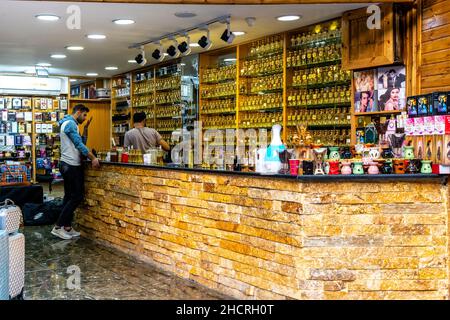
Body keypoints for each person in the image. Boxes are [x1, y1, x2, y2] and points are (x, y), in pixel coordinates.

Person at [52, 104, 100, 240]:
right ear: (78, 112)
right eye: (84, 115)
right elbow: (79, 145)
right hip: (71, 165)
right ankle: (58, 227)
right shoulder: (70, 124)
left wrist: (85, 129)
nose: (85, 118)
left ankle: (66, 226)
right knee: (77, 196)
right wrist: (93, 158)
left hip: (67, 164)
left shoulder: (69, 123)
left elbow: (80, 141)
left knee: (68, 196)